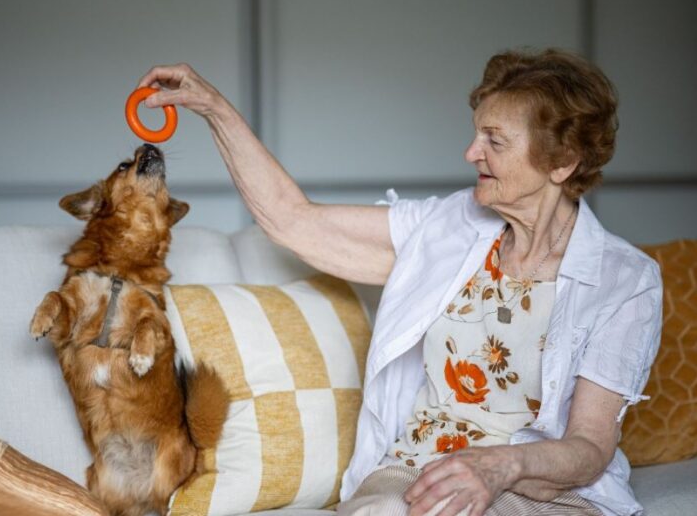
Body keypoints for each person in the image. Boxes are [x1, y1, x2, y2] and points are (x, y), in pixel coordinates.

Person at [138, 49, 662, 516]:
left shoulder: (624, 281)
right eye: (477, 133)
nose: (470, 152)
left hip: (539, 488)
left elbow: (589, 447)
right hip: (418, 470)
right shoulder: (448, 228)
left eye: (493, 140)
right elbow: (293, 221)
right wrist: (213, 107)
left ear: (562, 162)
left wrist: (498, 468)